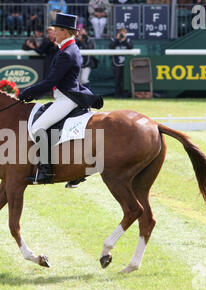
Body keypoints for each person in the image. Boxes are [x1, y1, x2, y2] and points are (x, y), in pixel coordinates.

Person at [18, 13, 103, 184]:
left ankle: (46, 170)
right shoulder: (69, 48)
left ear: (65, 32)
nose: (54, 33)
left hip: (67, 98)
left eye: (56, 30)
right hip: (65, 96)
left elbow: (51, 81)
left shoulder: (67, 53)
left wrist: (27, 93)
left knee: (38, 127)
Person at [110, 28, 133, 98]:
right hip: (116, 63)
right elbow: (111, 47)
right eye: (121, 33)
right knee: (117, 80)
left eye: (124, 33)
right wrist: (117, 39)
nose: (122, 35)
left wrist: (124, 40)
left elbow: (131, 47)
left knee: (125, 80)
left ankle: (125, 95)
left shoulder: (128, 40)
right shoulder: (114, 40)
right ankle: (117, 95)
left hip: (125, 63)